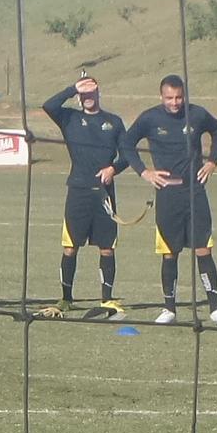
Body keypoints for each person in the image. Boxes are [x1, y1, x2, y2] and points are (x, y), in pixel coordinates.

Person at [126, 72, 217, 326]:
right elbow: (126, 144)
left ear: (184, 95)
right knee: (169, 253)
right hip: (167, 195)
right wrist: (144, 172)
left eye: (178, 97)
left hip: (195, 193)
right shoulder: (150, 118)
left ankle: (216, 308)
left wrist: (212, 162)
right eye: (169, 98)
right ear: (161, 96)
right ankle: (169, 309)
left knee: (203, 249)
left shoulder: (197, 114)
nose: (174, 103)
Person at [37, 67, 130, 317]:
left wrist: (113, 168)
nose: (88, 97)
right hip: (78, 191)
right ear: (79, 96)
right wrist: (72, 88)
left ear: (98, 93)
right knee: (70, 247)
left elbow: (128, 155)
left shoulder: (114, 122)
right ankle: (66, 298)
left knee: (107, 248)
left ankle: (107, 299)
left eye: (91, 91)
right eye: (83, 93)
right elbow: (48, 105)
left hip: (104, 194)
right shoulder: (69, 118)